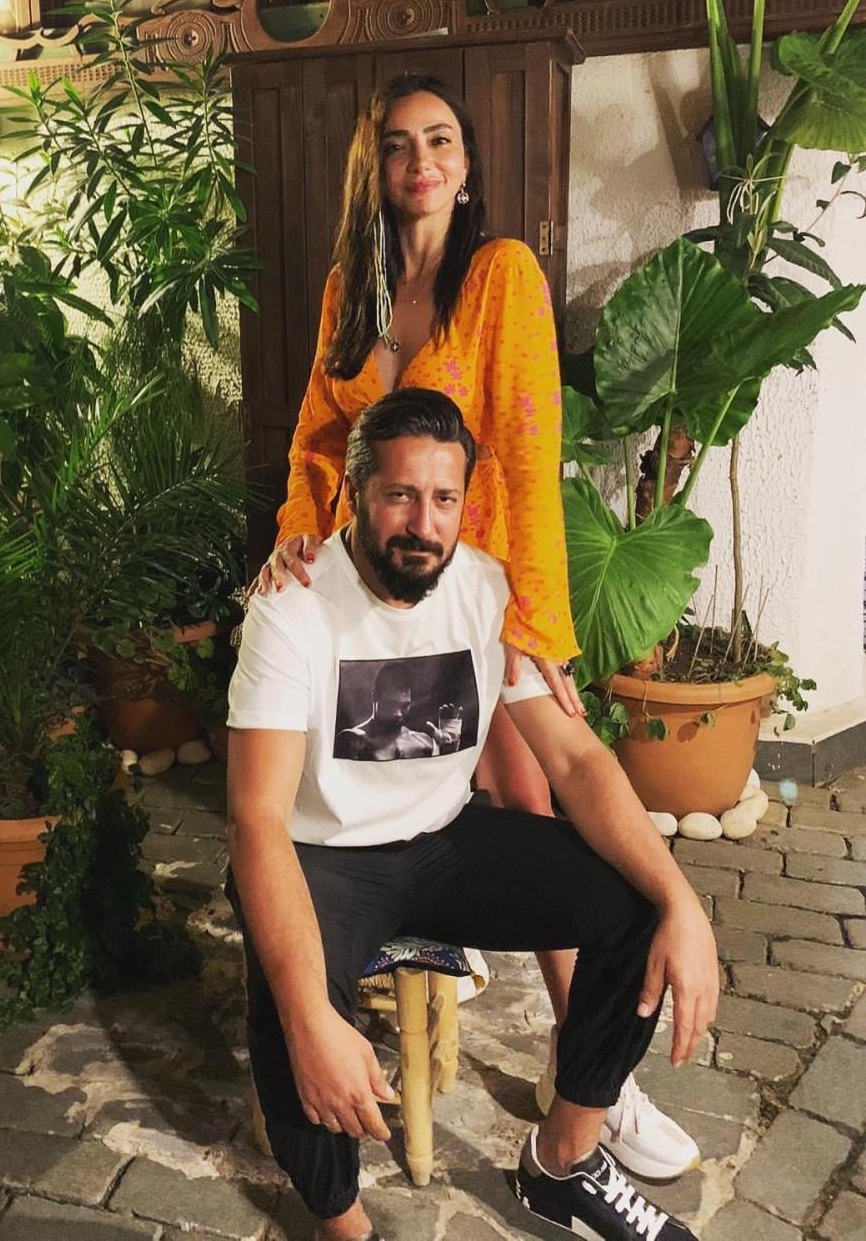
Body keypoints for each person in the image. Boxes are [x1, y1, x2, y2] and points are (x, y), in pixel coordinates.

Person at [255, 73, 698, 1178]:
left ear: (466, 166)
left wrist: (534, 620)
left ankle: (590, 1072)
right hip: (374, 586)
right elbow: (318, 438)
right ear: (375, 167)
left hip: (477, 587)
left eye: (441, 141)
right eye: (400, 145)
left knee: (530, 795)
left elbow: (531, 448)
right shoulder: (349, 288)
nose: (421, 162)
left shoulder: (500, 275)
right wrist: (299, 536)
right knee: (396, 781)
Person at [227, 389, 719, 1241]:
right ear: (355, 494)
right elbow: (256, 820)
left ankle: (563, 1163)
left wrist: (684, 901)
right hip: (321, 855)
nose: (423, 524)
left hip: (443, 841)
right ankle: (345, 1224)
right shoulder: (293, 606)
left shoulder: (488, 593)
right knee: (290, 1012)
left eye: (444, 499)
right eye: (400, 496)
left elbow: (577, 760)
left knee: (638, 906)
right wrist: (312, 1020)